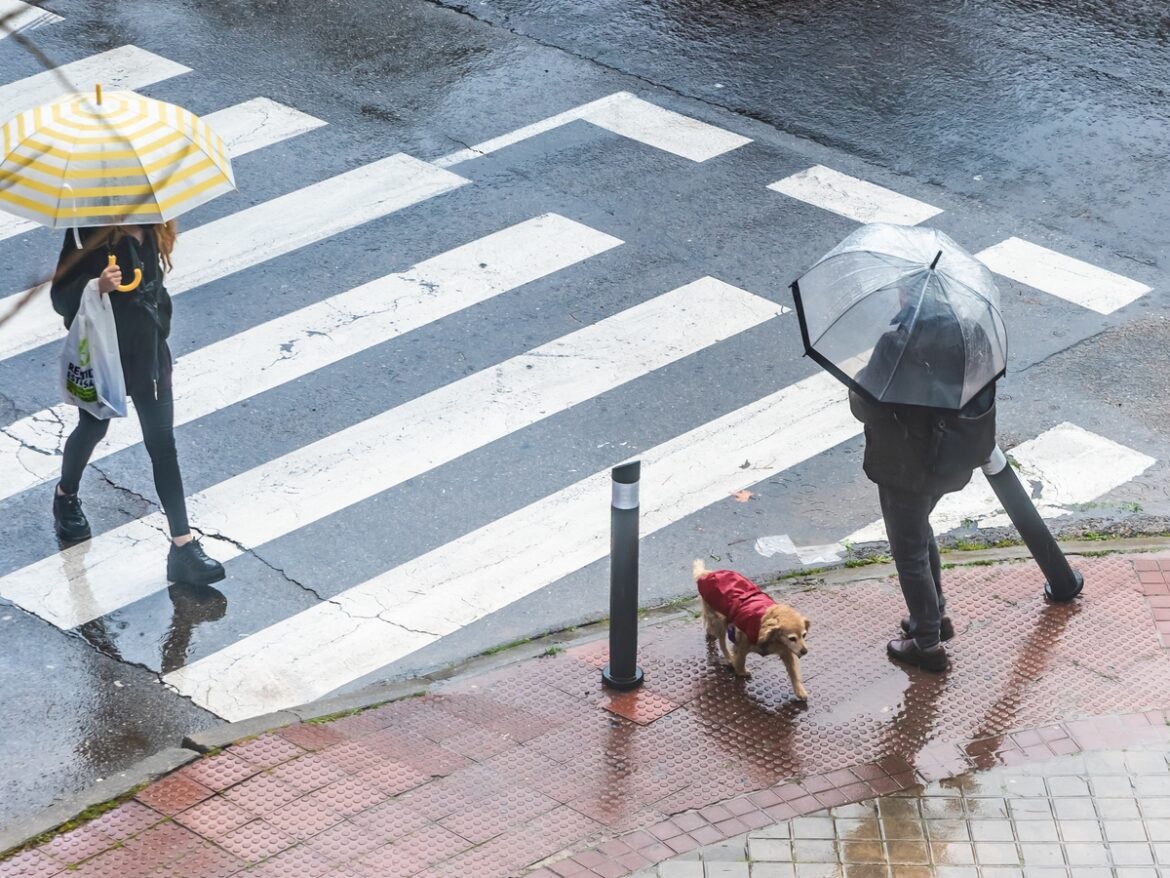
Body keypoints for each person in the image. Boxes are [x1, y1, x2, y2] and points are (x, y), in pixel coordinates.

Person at [49, 222, 225, 586]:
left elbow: (156, 287)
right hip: (104, 352)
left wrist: (160, 324)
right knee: (93, 427)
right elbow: (60, 298)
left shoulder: (153, 226)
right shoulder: (87, 231)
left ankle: (183, 547)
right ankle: (65, 494)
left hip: (149, 352)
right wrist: (98, 285)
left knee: (163, 445)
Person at [848, 298, 997, 672]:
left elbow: (865, 405)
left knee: (909, 549)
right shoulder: (971, 334)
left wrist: (856, 385)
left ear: (908, 296)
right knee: (919, 532)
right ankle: (934, 616)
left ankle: (927, 644)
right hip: (950, 457)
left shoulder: (897, 345)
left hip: (905, 464)